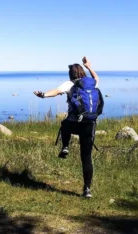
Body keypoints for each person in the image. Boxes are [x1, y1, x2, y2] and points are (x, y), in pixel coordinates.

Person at [33, 56, 102, 198]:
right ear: (83, 72)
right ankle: (87, 190)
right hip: (90, 124)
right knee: (86, 157)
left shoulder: (70, 84)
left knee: (64, 124)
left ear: (71, 74)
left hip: (73, 123)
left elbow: (56, 91)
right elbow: (97, 77)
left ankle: (65, 146)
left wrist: (43, 95)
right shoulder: (92, 83)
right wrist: (89, 66)